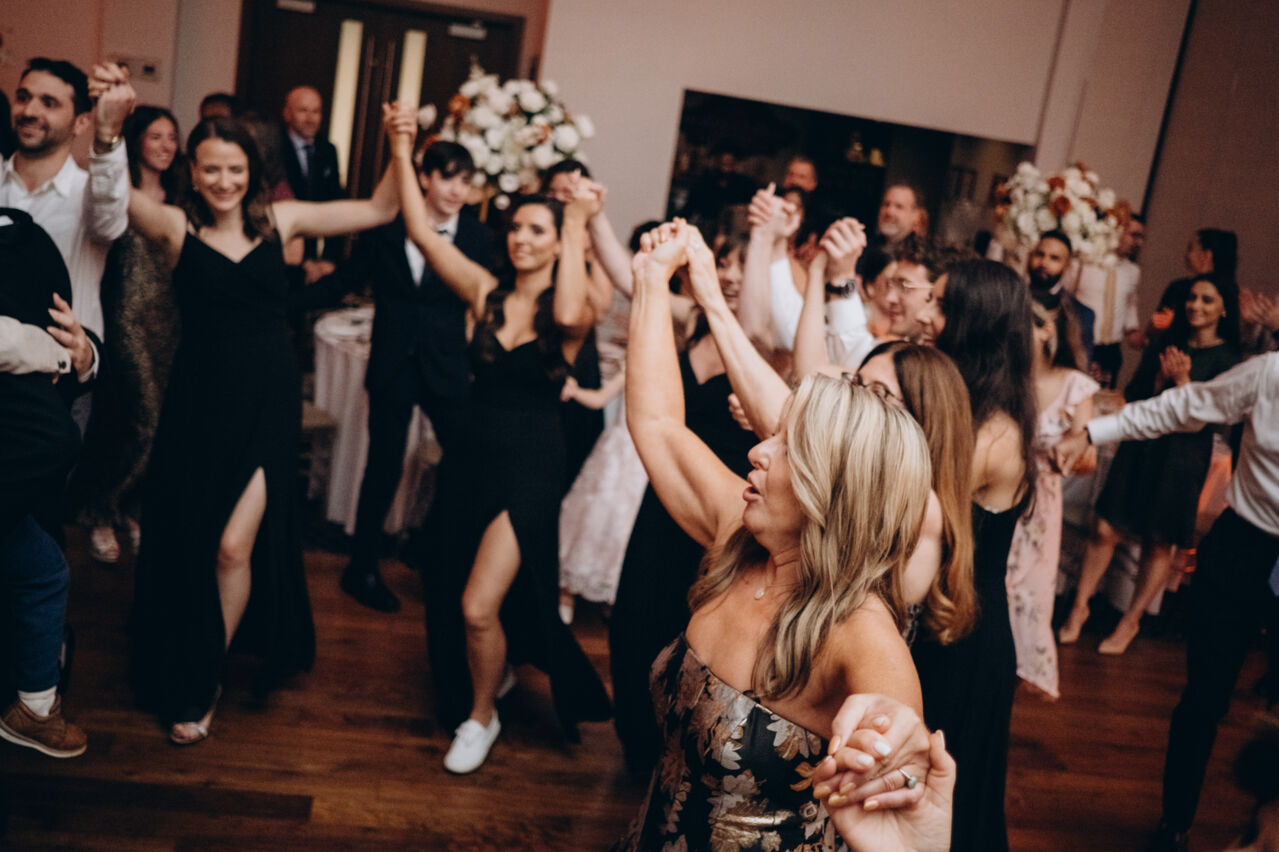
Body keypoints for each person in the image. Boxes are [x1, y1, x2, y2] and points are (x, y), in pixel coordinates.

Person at [616, 218, 933, 849]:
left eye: (788, 446)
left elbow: (896, 828)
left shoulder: (863, 640)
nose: (758, 451)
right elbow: (657, 423)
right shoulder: (740, 539)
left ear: (832, 488)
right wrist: (652, 280)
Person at [119, 98, 404, 744]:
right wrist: (108, 134)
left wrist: (399, 142)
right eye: (211, 169)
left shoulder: (283, 219)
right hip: (198, 404)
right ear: (193, 172)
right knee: (192, 541)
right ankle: (188, 653)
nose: (224, 180)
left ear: (252, 172)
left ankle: (205, 678)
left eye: (235, 168)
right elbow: (113, 196)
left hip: (267, 402)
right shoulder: (175, 227)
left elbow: (381, 209)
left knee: (233, 547)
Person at [386, 107, 610, 773]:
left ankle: (481, 716)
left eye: (536, 230)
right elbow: (422, 233)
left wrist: (577, 220)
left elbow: (565, 313)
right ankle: (493, 676)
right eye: (516, 227)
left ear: (558, 242)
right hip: (470, 457)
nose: (520, 239)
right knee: (457, 585)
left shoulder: (577, 305)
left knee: (477, 605)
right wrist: (401, 144)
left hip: (533, 464)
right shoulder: (484, 291)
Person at [1052, 351, 1279, 852]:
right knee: (1203, 699)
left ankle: (1263, 833)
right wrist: (1092, 432)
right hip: (1242, 548)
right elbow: (1183, 406)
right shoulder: (1269, 374)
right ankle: (1174, 826)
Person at [304, 140, 495, 613]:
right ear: (423, 179)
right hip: (393, 363)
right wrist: (284, 302)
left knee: (465, 459)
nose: (457, 190)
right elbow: (345, 281)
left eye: (465, 181)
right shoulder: (387, 229)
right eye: (447, 178)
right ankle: (362, 568)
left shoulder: (479, 238)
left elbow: (491, 304)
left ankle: (433, 550)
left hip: (448, 365)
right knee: (384, 465)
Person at [608, 233, 761, 776]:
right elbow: (629, 275)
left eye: (745, 265)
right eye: (726, 263)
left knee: (687, 624)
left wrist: (768, 238)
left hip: (730, 509)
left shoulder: (766, 341)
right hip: (668, 494)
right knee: (634, 618)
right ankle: (636, 745)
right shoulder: (689, 318)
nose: (733, 274)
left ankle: (673, 753)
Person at [913, 258, 1037, 852]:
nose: (924, 314)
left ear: (974, 321)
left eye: (939, 304)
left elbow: (905, 506)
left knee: (947, 809)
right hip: (936, 617)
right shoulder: (959, 405)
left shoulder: (996, 435)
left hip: (963, 636)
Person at [1058, 273, 1240, 655]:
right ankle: (1079, 608)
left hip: (1181, 457)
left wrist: (1184, 380)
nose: (1196, 305)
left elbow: (1209, 417)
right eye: (1192, 297)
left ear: (1224, 308)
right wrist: (1159, 380)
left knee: (1159, 542)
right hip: (1141, 447)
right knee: (1105, 527)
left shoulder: (1228, 359)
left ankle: (1131, 620)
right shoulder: (1167, 341)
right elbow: (1137, 394)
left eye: (1207, 300)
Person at [0, 208, 96, 759]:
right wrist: (49, 351)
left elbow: (65, 325)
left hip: (18, 473)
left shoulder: (25, 236)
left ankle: (35, 708)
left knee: (43, 570)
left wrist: (79, 352)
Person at [68, 105, 182, 565]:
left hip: (172, 318)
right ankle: (98, 510)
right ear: (137, 141)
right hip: (126, 317)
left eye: (172, 137)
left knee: (163, 420)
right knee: (140, 418)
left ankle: (131, 507)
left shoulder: (184, 192)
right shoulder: (118, 190)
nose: (166, 146)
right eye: (156, 136)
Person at [0, 57, 132, 436]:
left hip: (58, 382)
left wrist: (108, 132)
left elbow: (109, 213)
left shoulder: (88, 194)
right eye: (23, 97)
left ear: (81, 122)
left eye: (49, 102)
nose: (30, 111)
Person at [1004, 289, 1098, 699]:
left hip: (1041, 501)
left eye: (1020, 324)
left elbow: (1086, 451)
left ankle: (1021, 670)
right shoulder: (1007, 380)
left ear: (1046, 331)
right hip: (1002, 491)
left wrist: (1074, 449)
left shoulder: (1075, 385)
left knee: (1031, 587)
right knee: (999, 582)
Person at [1066, 213, 1144, 386]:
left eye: (1141, 237)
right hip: (1080, 346)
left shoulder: (1133, 272)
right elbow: (1064, 298)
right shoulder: (1082, 263)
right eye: (1134, 235)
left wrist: (1134, 331)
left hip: (1111, 351)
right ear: (1116, 231)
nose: (1138, 242)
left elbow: (1130, 304)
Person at [278, 85, 344, 282]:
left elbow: (335, 204)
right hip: (284, 253)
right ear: (287, 113)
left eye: (316, 111)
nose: (310, 118)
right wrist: (303, 260)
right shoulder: (274, 147)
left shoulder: (328, 150)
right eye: (303, 110)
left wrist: (328, 259)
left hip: (318, 254)